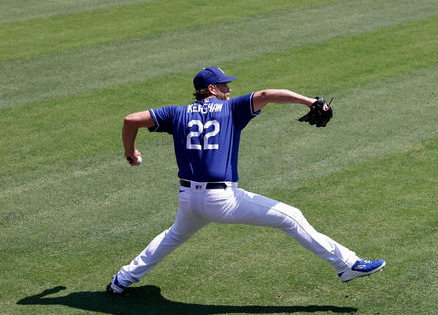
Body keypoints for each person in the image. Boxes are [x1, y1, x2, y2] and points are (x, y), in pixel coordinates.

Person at [107, 66, 385, 294]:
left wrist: (130, 151)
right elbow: (267, 94)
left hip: (189, 199)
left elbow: (130, 119)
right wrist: (310, 101)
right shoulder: (231, 109)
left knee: (172, 237)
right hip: (221, 199)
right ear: (212, 89)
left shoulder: (176, 113)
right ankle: (347, 264)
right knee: (291, 216)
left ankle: (122, 279)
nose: (230, 90)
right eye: (225, 85)